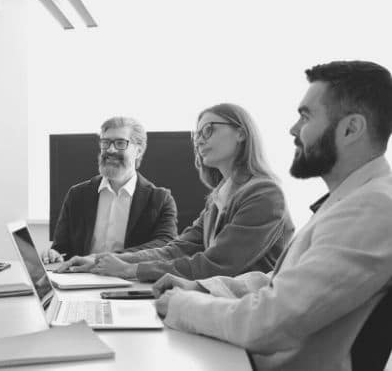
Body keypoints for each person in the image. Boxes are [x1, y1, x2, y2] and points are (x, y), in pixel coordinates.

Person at [153, 60, 392, 371]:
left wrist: (181, 305)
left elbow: (268, 322)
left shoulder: (372, 207)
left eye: (305, 116)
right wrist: (202, 289)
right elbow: (283, 282)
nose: (293, 129)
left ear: (351, 129)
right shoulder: (352, 198)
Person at [58, 103, 294, 282]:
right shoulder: (220, 197)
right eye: (197, 135)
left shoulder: (264, 194)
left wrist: (131, 269)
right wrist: (98, 260)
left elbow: (216, 264)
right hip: (220, 303)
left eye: (208, 130)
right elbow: (178, 248)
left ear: (241, 133)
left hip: (247, 317)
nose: (199, 141)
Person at [41, 116, 178, 264]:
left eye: (120, 143)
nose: (110, 149)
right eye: (105, 143)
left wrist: (99, 260)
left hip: (129, 280)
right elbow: (62, 248)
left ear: (138, 151)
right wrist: (54, 254)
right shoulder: (77, 195)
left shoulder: (160, 199)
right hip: (81, 279)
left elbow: (164, 246)